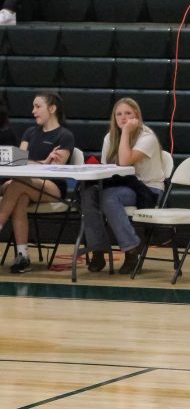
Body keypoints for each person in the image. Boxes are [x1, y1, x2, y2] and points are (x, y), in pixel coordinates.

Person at [80, 98, 165, 274]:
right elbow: (106, 170)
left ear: (137, 116)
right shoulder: (109, 138)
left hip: (147, 188)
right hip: (121, 184)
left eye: (128, 113)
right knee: (88, 193)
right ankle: (97, 250)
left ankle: (132, 249)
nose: (123, 118)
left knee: (108, 197)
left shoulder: (146, 137)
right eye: (119, 114)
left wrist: (126, 132)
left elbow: (125, 162)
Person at [0, 91, 73, 274]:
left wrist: (39, 163)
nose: (33, 111)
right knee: (20, 195)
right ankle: (23, 256)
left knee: (17, 184)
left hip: (52, 188)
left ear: (52, 108)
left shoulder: (65, 136)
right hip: (25, 185)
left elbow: (55, 168)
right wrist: (42, 162)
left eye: (37, 106)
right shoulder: (30, 132)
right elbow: (18, 163)